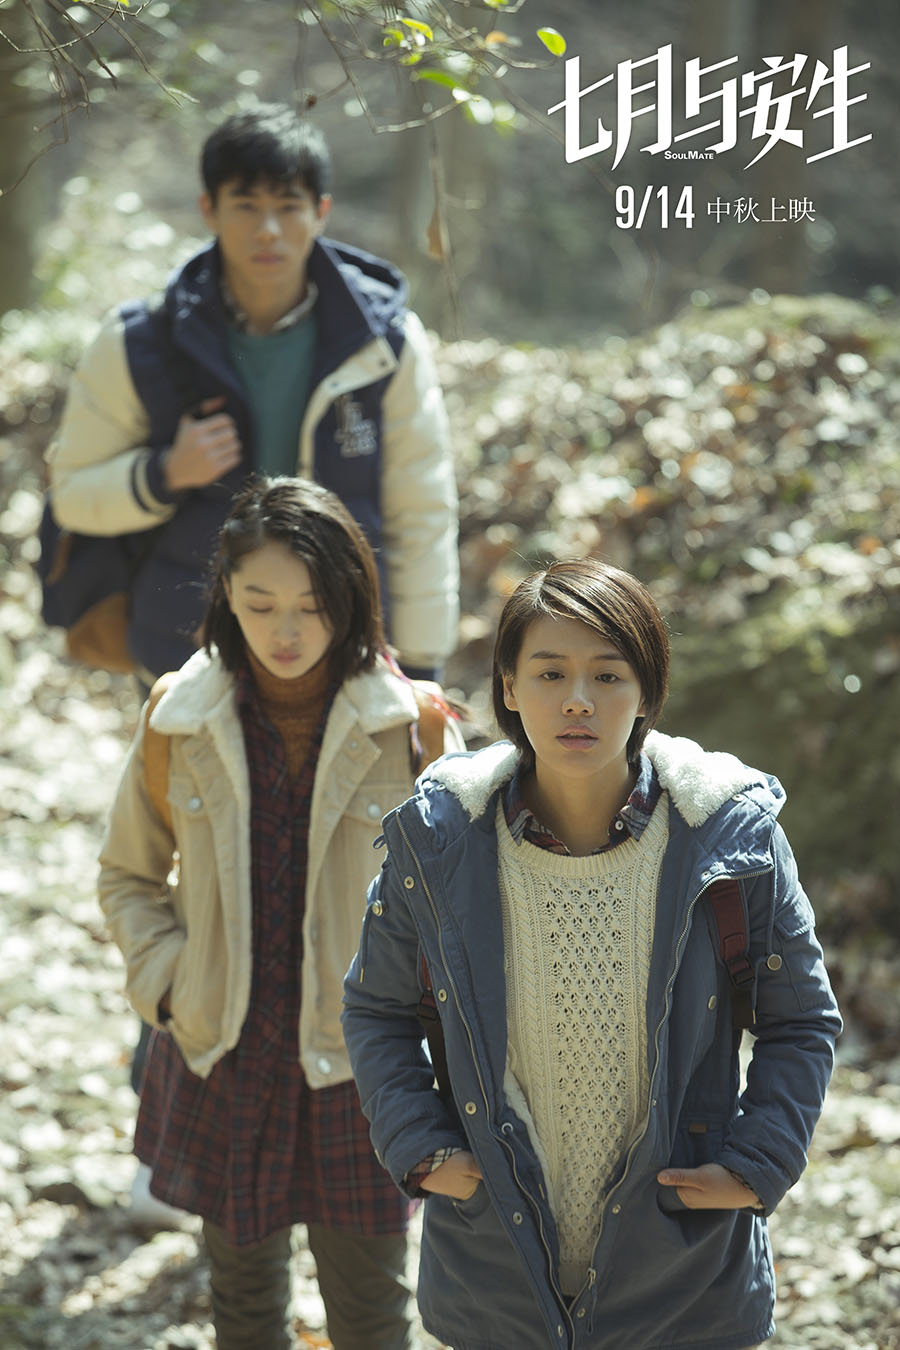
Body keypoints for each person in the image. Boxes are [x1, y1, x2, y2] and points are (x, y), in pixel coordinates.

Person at [341, 558, 842, 1350]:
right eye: (550, 673)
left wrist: (756, 1163)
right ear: (509, 687)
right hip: (492, 1275)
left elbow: (802, 1020)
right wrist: (422, 1147)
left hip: (683, 1280)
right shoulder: (439, 842)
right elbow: (376, 1008)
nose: (578, 699)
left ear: (647, 692)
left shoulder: (727, 838)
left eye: (608, 675)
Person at [97, 477, 464, 1350]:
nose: (285, 631)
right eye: (261, 604)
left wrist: (424, 1026)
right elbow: (127, 876)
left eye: (310, 606)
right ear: (226, 593)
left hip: (364, 1070)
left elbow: (469, 906)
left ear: (350, 598)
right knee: (243, 1306)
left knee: (372, 1313)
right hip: (226, 1049)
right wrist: (170, 986)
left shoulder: (413, 725)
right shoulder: (178, 716)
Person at [46, 102, 458, 688]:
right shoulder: (138, 341)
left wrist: (418, 664)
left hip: (345, 652)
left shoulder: (385, 343)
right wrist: (164, 474)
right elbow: (73, 495)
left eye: (288, 206)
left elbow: (420, 512)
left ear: (320, 212)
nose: (268, 230)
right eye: (245, 206)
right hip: (187, 657)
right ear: (209, 210)